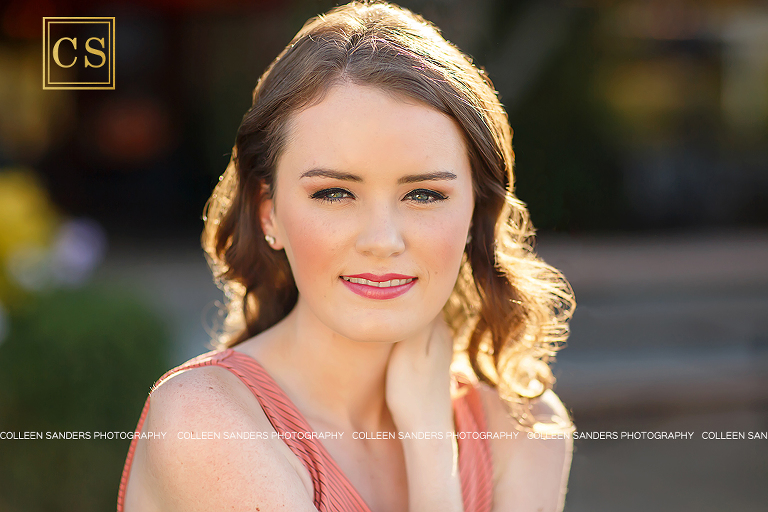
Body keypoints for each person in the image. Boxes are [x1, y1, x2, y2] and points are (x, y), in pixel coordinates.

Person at [117, 1, 576, 511]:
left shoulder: (525, 424)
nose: (382, 240)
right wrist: (432, 459)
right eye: (334, 193)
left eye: (424, 194)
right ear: (268, 214)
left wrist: (429, 430)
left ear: (474, 215)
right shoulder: (206, 419)